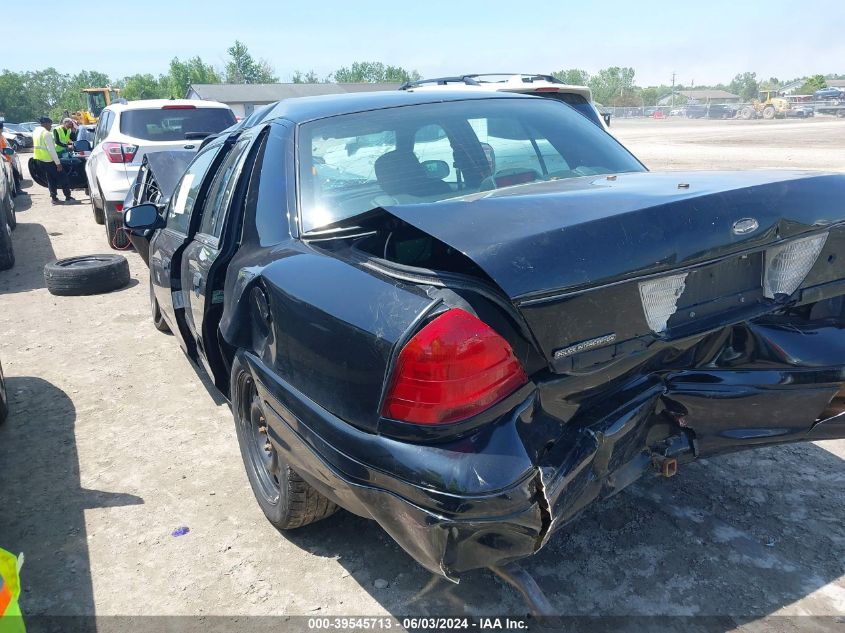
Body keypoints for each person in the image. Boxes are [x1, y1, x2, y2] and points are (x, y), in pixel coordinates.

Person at [32, 116, 73, 205]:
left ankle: (54, 199)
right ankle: (68, 197)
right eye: (50, 125)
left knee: (51, 179)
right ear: (45, 124)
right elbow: (51, 150)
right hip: (49, 160)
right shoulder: (46, 134)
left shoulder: (36, 132)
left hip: (39, 160)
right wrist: (58, 163)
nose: (50, 127)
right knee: (64, 178)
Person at [0, 122, 26, 195]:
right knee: (14, 175)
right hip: (4, 161)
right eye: (1, 128)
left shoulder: (2, 136)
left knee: (14, 175)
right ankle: (16, 191)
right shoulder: (1, 137)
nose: (2, 130)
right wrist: (7, 151)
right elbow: (2, 150)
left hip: (7, 160)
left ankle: (16, 191)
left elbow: (5, 147)